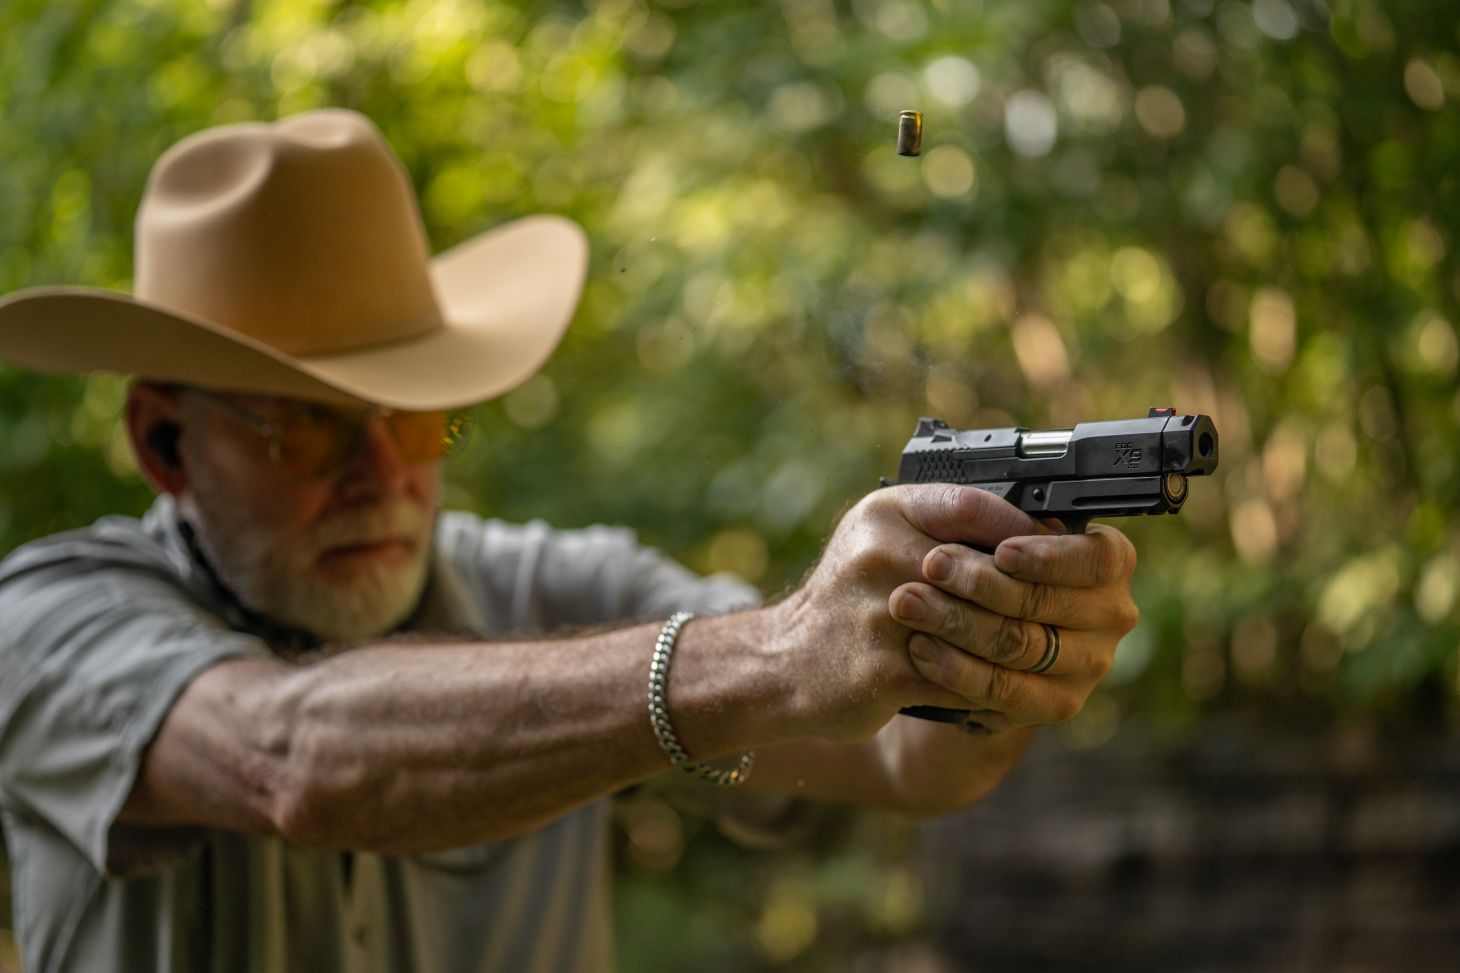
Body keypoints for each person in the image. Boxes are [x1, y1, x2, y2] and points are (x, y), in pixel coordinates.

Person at [0, 109, 1138, 973]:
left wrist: (975, 654)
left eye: (409, 410)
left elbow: (902, 761)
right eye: (304, 425)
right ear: (164, 440)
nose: (383, 471)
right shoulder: (46, 623)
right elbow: (288, 757)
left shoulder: (557, 583)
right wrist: (770, 654)